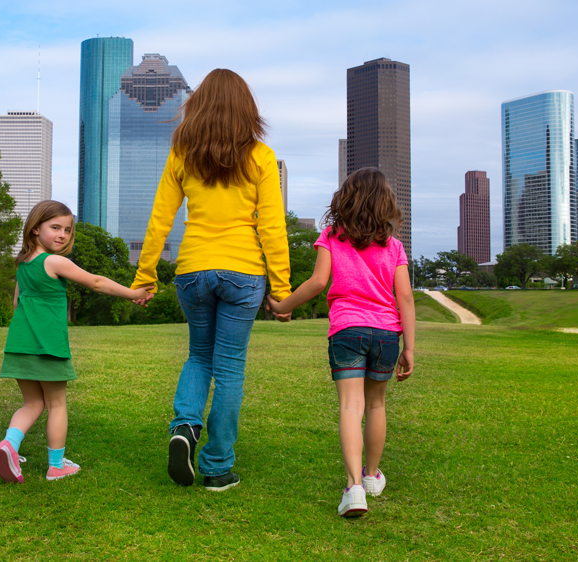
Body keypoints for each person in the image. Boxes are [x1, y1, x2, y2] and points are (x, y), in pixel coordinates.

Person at [130, 69, 292, 492]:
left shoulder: (182, 152)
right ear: (247, 108)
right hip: (243, 273)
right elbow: (272, 228)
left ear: (197, 105)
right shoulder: (260, 155)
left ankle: (184, 427)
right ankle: (217, 466)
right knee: (230, 367)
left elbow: (160, 218)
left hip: (193, 271)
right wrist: (283, 290)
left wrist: (145, 274)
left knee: (199, 357)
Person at [267, 167, 415, 517]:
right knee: (376, 405)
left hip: (347, 330)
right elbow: (405, 297)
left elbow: (318, 282)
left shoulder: (332, 236)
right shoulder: (393, 246)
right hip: (386, 334)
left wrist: (282, 306)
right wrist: (409, 347)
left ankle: (354, 489)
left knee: (352, 407)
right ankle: (371, 475)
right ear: (386, 204)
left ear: (346, 199)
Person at [0, 200, 152, 484]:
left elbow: (17, 303)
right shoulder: (53, 261)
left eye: (67, 230)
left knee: (31, 404)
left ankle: (9, 445)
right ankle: (56, 466)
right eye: (55, 227)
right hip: (48, 346)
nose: (63, 235)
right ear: (34, 230)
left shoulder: (23, 264)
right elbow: (96, 282)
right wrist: (132, 293)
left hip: (19, 344)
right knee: (56, 405)